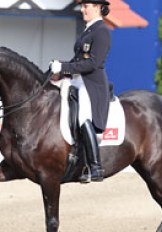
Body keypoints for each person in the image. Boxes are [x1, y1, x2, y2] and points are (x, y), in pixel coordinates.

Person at [50, 0, 111, 182]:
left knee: (83, 116)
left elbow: (93, 63)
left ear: (98, 7)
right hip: (77, 80)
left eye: (86, 6)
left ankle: (95, 166)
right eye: (82, 5)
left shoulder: (102, 31)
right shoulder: (89, 29)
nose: (82, 9)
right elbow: (78, 59)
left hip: (91, 84)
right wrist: (60, 72)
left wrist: (64, 66)